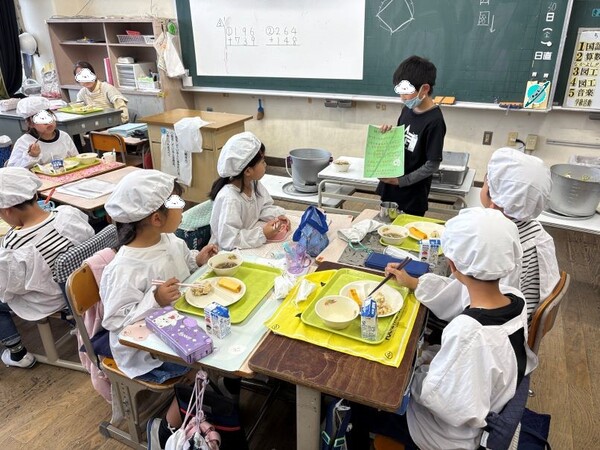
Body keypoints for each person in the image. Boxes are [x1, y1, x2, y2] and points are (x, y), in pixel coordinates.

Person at [349, 207, 538, 450]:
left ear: (452, 264)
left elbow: (438, 398)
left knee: (360, 401)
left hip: (445, 435)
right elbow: (456, 293)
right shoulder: (515, 298)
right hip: (487, 404)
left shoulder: (469, 332)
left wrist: (416, 371)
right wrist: (413, 283)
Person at [100, 169, 218, 382]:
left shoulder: (169, 239)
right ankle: (179, 401)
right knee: (210, 354)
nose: (183, 207)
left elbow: (184, 261)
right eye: (177, 203)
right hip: (147, 353)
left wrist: (198, 260)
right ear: (156, 218)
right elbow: (116, 321)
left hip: (179, 319)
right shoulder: (124, 268)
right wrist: (155, 300)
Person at [0, 167, 94, 368]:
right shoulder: (68, 214)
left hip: (52, 299)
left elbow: (8, 287)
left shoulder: (14, 243)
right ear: (34, 195)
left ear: (7, 210)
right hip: (84, 284)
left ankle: (18, 353)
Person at [482, 147, 560, 318]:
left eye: (486, 180)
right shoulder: (537, 231)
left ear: (493, 197)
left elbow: (481, 303)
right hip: (525, 315)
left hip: (503, 324)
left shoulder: (498, 242)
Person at [377, 55, 446, 217]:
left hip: (412, 195)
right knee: (385, 226)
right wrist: (389, 134)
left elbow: (432, 164)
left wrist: (401, 181)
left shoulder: (435, 121)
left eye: (406, 92)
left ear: (425, 89)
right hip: (391, 186)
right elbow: (401, 143)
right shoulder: (407, 110)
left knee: (407, 230)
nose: (402, 98)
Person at [209, 131, 290, 250]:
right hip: (227, 252)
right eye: (262, 161)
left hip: (247, 241)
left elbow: (263, 206)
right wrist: (263, 233)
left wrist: (277, 216)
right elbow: (229, 240)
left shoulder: (253, 183)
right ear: (247, 171)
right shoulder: (230, 199)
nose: (265, 165)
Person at [7, 97, 78, 168]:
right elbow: (13, 170)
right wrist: (32, 156)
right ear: (30, 124)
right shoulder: (24, 142)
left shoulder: (64, 136)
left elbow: (77, 159)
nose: (48, 122)